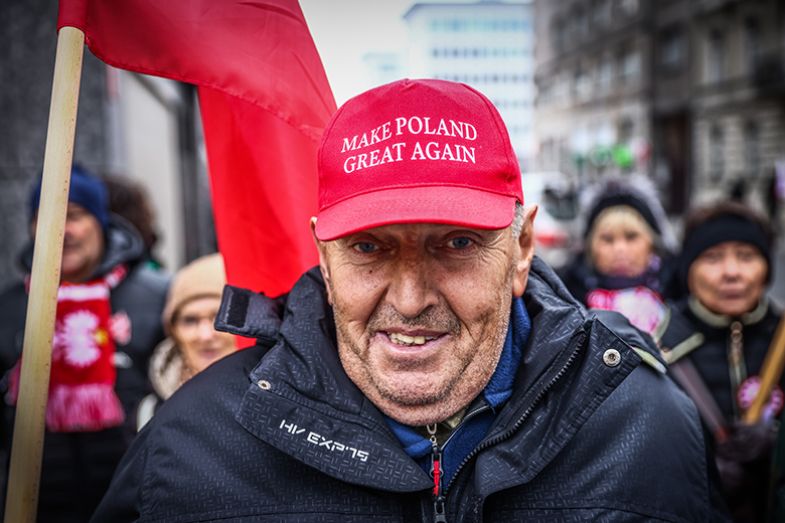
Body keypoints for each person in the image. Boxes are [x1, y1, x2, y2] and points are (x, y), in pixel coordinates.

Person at [93, 79, 725, 522]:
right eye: (368, 248)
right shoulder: (195, 444)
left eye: (455, 243)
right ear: (324, 255)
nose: (412, 297)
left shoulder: (644, 426)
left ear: (523, 246)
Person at [0, 166, 169, 522]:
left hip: (137, 505)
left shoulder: (158, 299)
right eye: (45, 217)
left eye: (74, 216)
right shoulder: (11, 307)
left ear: (101, 222)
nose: (61, 231)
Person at [658, 201, 782, 522]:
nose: (731, 272)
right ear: (689, 270)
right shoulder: (659, 348)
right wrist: (704, 472)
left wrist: (778, 443)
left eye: (746, 256)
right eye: (712, 258)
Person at [560, 176, 678, 336]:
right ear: (590, 246)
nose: (620, 249)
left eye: (631, 237)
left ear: (652, 243)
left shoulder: (679, 298)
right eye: (607, 239)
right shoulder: (566, 305)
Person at [135, 253, 235, 430]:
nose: (205, 335)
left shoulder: (277, 404)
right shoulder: (149, 414)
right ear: (173, 331)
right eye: (190, 320)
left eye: (220, 317)